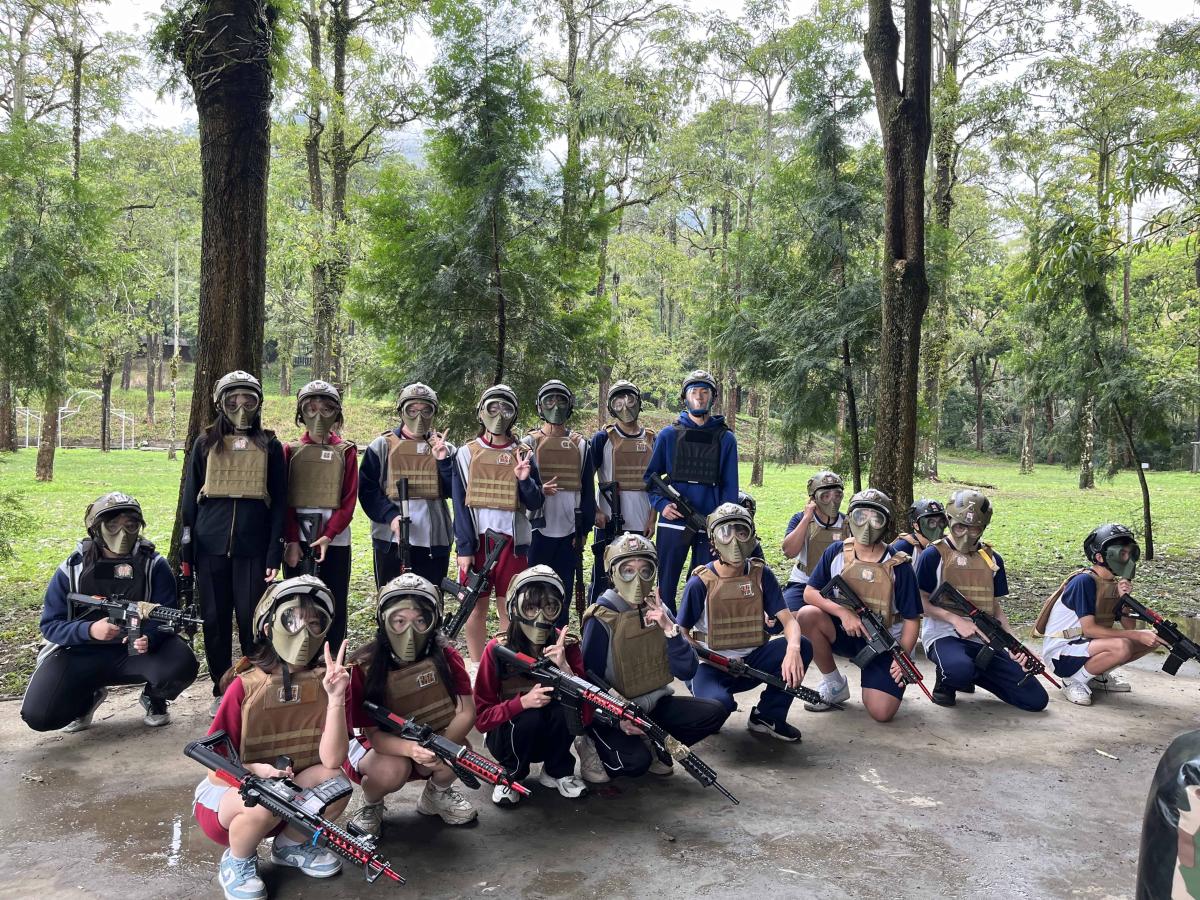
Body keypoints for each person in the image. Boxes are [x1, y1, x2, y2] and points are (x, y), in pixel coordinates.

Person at [192, 576, 350, 900]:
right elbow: (214, 769)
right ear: (268, 628)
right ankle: (238, 860)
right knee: (265, 799)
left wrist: (336, 699)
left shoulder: (326, 681)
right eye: (292, 621)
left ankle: (290, 845)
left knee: (337, 783)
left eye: (314, 624)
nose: (304, 633)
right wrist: (255, 771)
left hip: (288, 794)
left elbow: (333, 761)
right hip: (234, 799)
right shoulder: (245, 687)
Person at [21, 492, 199, 732]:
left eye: (131, 525)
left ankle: (154, 697)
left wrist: (150, 637)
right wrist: (89, 630)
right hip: (81, 652)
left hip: (136, 652)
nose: (122, 533)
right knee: (40, 716)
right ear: (95, 529)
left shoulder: (153, 565)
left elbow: (166, 615)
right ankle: (85, 699)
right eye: (112, 525)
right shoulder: (72, 569)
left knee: (182, 664)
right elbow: (50, 625)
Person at [581, 533, 728, 782]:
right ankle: (590, 743)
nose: (637, 579)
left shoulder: (659, 609)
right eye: (627, 570)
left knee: (714, 712)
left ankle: (654, 744)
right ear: (613, 574)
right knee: (635, 764)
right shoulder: (602, 618)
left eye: (645, 570)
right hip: (616, 713)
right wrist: (615, 721)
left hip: (655, 706)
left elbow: (687, 670)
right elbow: (587, 683)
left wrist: (670, 630)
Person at [182, 370, 287, 715]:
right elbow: (189, 497)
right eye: (233, 401)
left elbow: (280, 502)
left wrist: (273, 551)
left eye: (249, 401)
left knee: (251, 620)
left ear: (258, 405)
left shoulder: (270, 446)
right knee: (214, 620)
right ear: (220, 404)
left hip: (253, 548)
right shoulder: (205, 443)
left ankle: (253, 683)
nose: (241, 408)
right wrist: (187, 547)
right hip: (209, 547)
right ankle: (220, 686)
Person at [344, 573, 478, 836]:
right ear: (383, 621)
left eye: (420, 621)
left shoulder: (446, 656)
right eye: (399, 621)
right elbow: (374, 736)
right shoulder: (364, 667)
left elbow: (467, 712)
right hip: (378, 748)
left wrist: (439, 746)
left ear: (433, 621)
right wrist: (411, 750)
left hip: (429, 736)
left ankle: (436, 795)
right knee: (394, 769)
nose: (410, 631)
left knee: (460, 752)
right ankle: (371, 803)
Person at [677, 503, 811, 742]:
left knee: (803, 645)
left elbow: (789, 621)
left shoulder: (761, 575)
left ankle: (768, 716)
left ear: (752, 535)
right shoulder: (700, 583)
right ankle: (709, 701)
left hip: (752, 662)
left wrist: (793, 649)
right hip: (711, 666)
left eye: (741, 532)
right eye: (725, 533)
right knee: (717, 709)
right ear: (713, 541)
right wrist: (716, 662)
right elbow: (681, 634)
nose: (734, 542)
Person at [916, 490, 1048, 711]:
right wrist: (955, 620)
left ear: (984, 528)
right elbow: (920, 601)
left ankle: (971, 673)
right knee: (958, 670)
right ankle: (948, 681)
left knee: (1035, 700)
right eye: (960, 527)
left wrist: (1016, 645)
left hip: (985, 641)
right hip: (944, 635)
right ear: (949, 521)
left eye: (974, 529)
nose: (966, 534)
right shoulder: (933, 555)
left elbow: (995, 607)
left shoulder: (993, 560)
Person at [797, 489, 922, 722]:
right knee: (807, 615)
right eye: (860, 516)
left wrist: (902, 657)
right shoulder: (836, 552)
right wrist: (843, 613)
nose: (867, 525)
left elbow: (912, 619)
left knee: (882, 713)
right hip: (846, 631)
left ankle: (888, 681)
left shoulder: (899, 565)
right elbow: (810, 593)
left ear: (886, 525)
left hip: (884, 643)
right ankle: (834, 684)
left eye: (876, 519)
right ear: (850, 518)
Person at [472, 566, 589, 806]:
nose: (540, 618)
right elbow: (481, 718)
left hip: (551, 736)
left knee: (563, 710)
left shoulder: (566, 647)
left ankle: (557, 770)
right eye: (531, 608)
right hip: (509, 738)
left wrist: (566, 670)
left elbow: (586, 714)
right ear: (514, 608)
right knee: (529, 717)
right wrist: (521, 703)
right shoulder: (497, 650)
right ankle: (510, 774)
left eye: (550, 607)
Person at [451, 384, 544, 664]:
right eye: (493, 407)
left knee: (510, 609)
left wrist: (524, 479)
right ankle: (477, 666)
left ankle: (502, 667)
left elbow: (536, 501)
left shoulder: (523, 452)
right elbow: (460, 504)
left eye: (506, 408)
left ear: (514, 414)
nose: (499, 414)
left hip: (512, 544)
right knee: (474, 608)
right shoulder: (466, 453)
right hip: (478, 543)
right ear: (481, 412)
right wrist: (464, 548)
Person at [1036, 524, 1164, 706]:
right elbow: (1089, 629)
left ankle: (1095, 674)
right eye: (1122, 553)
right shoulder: (1084, 581)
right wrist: (1136, 635)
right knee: (1122, 646)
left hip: (1085, 645)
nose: (1128, 559)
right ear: (1100, 557)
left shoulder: (1112, 584)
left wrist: (1125, 599)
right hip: (1062, 652)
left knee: (1153, 639)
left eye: (1131, 553)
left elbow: (1129, 626)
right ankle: (1073, 680)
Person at [643, 370, 738, 615]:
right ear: (685, 397)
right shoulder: (668, 435)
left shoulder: (726, 439)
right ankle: (666, 629)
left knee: (704, 582)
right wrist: (662, 505)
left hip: (709, 524)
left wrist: (723, 527)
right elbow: (651, 479)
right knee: (666, 583)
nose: (699, 397)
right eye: (694, 392)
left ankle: (695, 629)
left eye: (705, 392)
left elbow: (730, 488)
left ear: (713, 397)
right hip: (673, 521)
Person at [281, 380, 357, 655]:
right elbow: (284, 500)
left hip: (335, 541)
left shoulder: (346, 451)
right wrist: (292, 540)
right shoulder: (290, 450)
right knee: (297, 602)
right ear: (301, 413)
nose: (319, 416)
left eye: (326, 409)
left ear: (337, 413)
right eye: (311, 409)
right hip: (297, 543)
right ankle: (298, 657)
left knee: (334, 601)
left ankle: (334, 659)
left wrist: (329, 534)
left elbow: (348, 499)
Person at [358, 382, 455, 588]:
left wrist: (443, 461)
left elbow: (455, 491)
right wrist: (391, 517)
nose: (419, 416)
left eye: (426, 410)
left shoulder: (446, 449)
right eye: (412, 410)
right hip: (391, 541)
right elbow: (368, 491)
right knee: (391, 600)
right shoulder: (381, 446)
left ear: (434, 412)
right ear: (402, 411)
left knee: (431, 600)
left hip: (433, 543)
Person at [521, 380, 595, 626]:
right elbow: (521, 487)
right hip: (536, 530)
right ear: (540, 406)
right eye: (549, 400)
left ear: (570, 406)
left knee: (563, 591)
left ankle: (559, 638)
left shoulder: (581, 445)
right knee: (533, 590)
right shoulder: (528, 443)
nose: (555, 406)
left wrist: (583, 531)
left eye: (561, 400)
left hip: (569, 531)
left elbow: (588, 491)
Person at [589, 380, 657, 602]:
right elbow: (585, 479)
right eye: (618, 402)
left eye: (630, 400)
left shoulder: (651, 439)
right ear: (611, 407)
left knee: (638, 579)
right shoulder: (602, 439)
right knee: (603, 579)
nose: (625, 406)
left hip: (641, 523)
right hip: (610, 523)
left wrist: (652, 518)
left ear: (639, 403)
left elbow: (657, 483)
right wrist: (596, 510)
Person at [780, 471, 847, 612]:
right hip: (803, 581)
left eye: (837, 495)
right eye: (825, 496)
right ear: (814, 498)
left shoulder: (847, 523)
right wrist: (806, 518)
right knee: (785, 616)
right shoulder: (800, 519)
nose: (832, 501)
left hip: (836, 584)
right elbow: (789, 552)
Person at [890, 498, 947, 562]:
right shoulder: (903, 547)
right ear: (916, 526)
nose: (938, 527)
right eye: (931, 523)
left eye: (941, 522)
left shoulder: (947, 545)